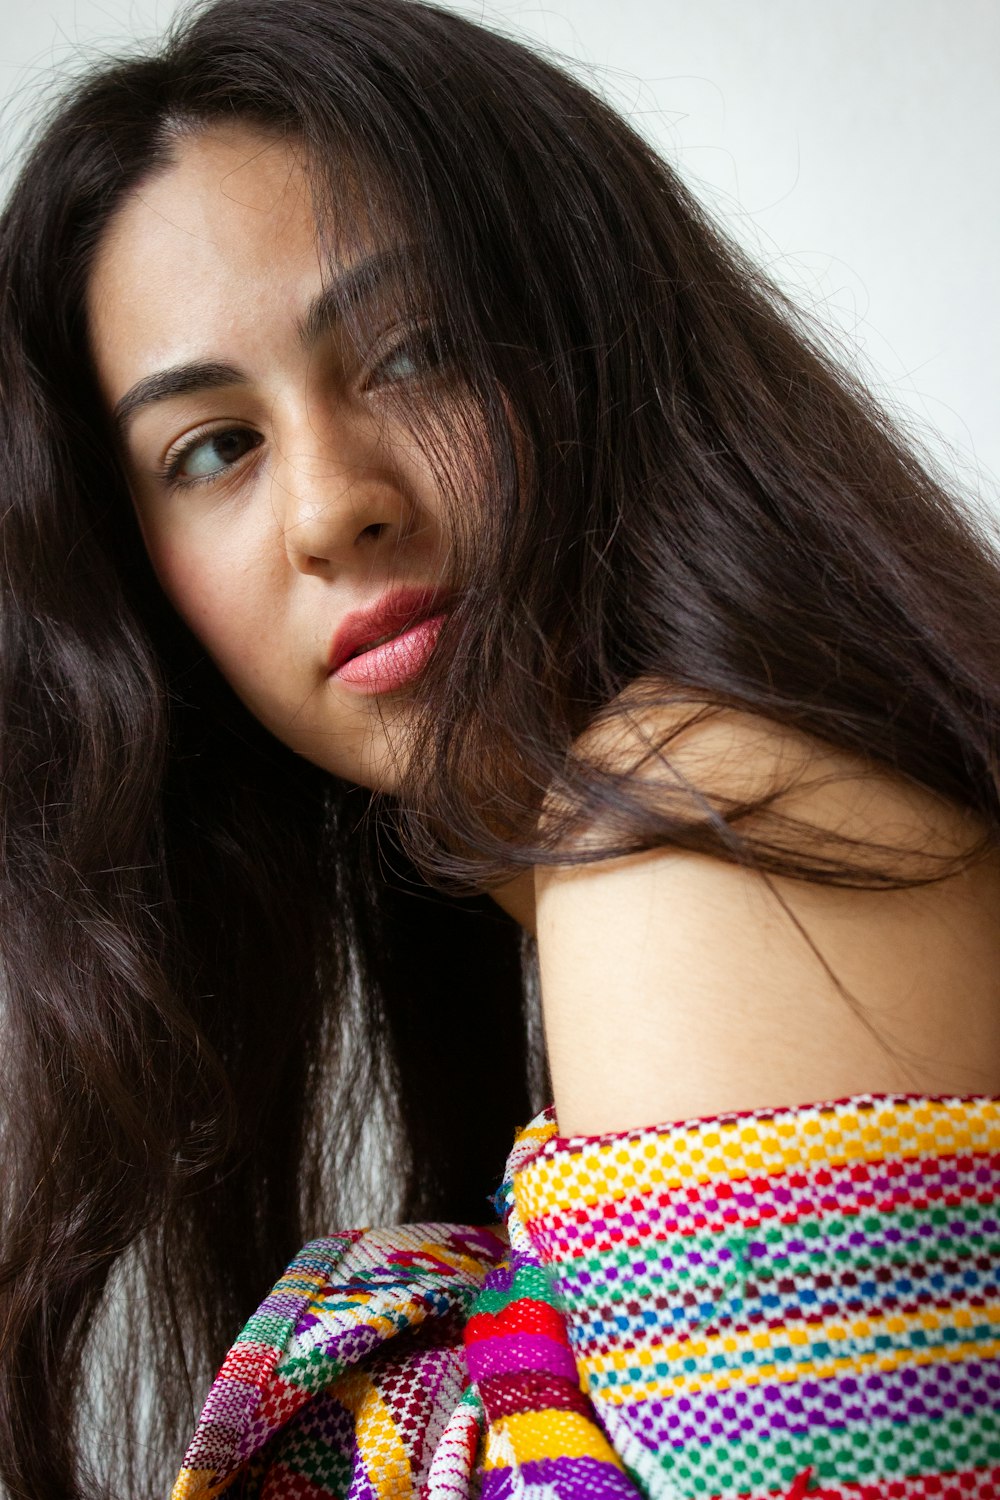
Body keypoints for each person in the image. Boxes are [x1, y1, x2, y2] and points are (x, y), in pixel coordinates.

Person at [0, 0, 998, 1495]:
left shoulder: (698, 819)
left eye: (414, 352)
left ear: (600, 334)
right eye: (215, 447)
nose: (335, 506)